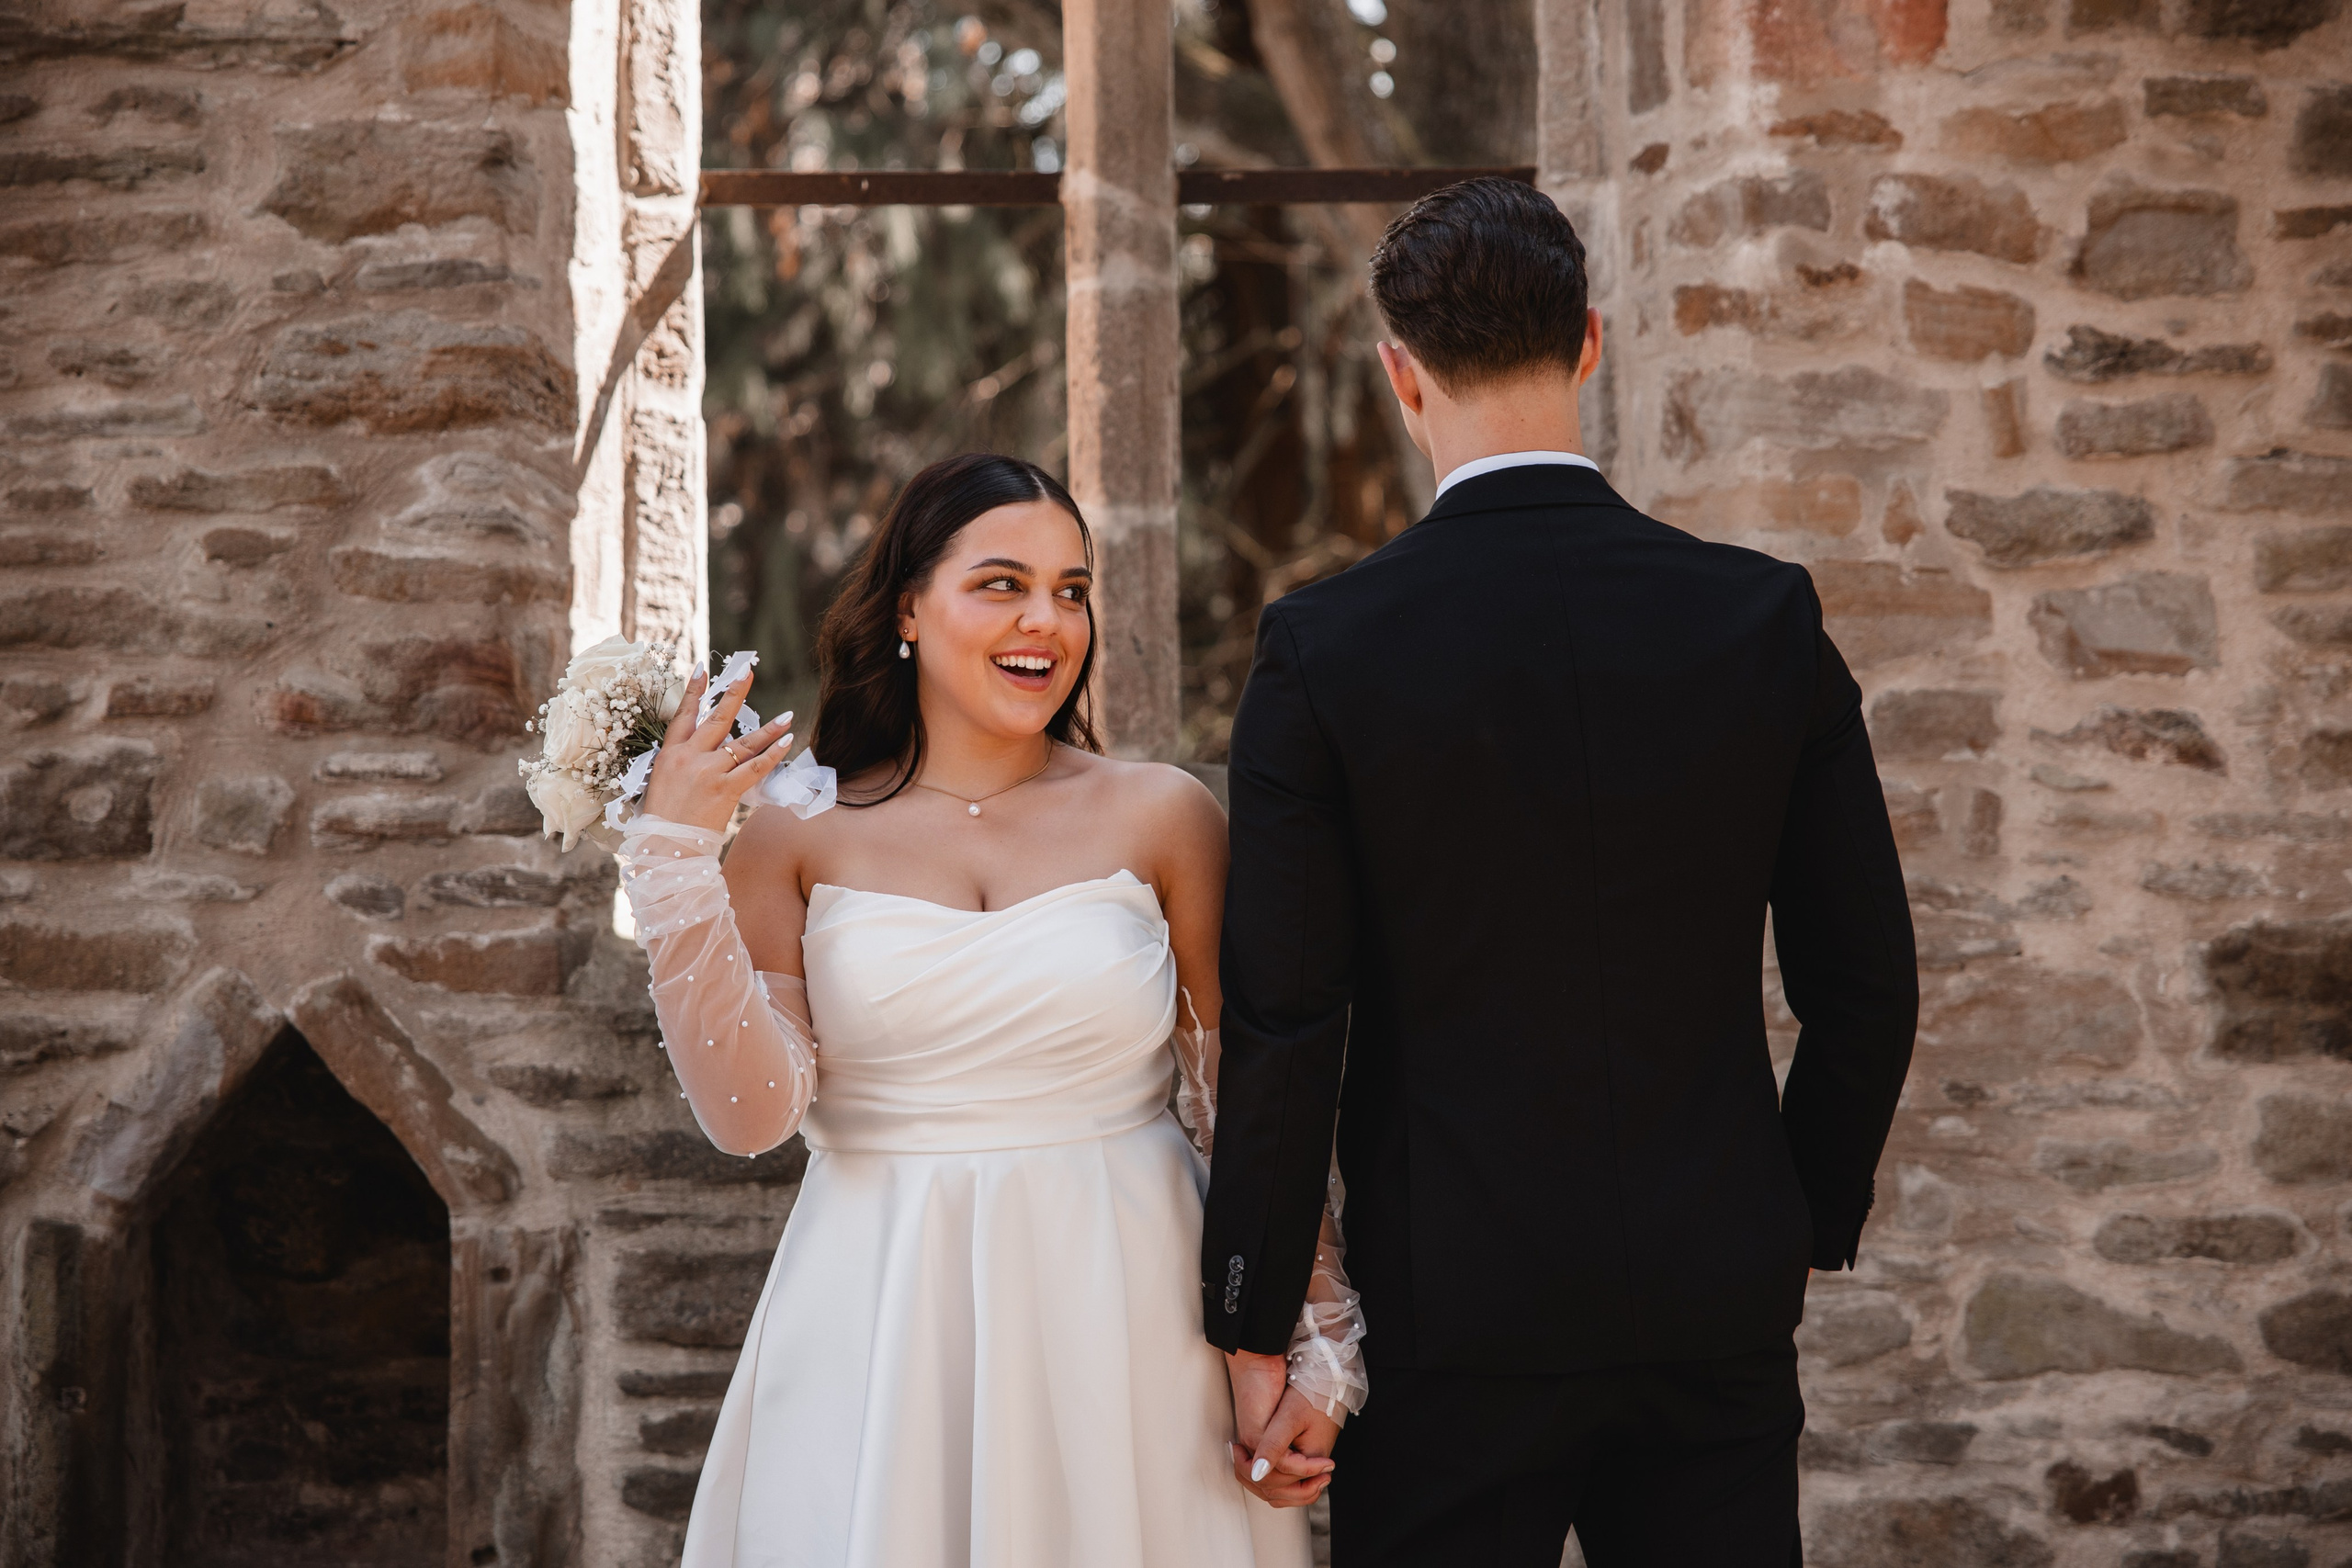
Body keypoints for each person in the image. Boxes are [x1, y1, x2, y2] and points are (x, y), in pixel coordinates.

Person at [1204, 177, 1919, 1565]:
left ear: (1400, 374)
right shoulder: (1762, 620)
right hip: (1715, 1289)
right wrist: (1794, 1215)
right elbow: (1868, 983)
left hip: (1454, 1307)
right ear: (1590, 341)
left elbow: (1288, 1022)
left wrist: (1255, 1317)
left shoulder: (1326, 650)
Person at [619, 453, 1366, 1568]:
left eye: (1071, 590)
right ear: (909, 607)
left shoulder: (1163, 815)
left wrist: (1304, 1345)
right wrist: (674, 858)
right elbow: (750, 1116)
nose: (1047, 621)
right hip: (881, 1314)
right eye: (1002, 584)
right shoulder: (794, 830)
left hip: (1129, 1311)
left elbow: (1244, 1110)